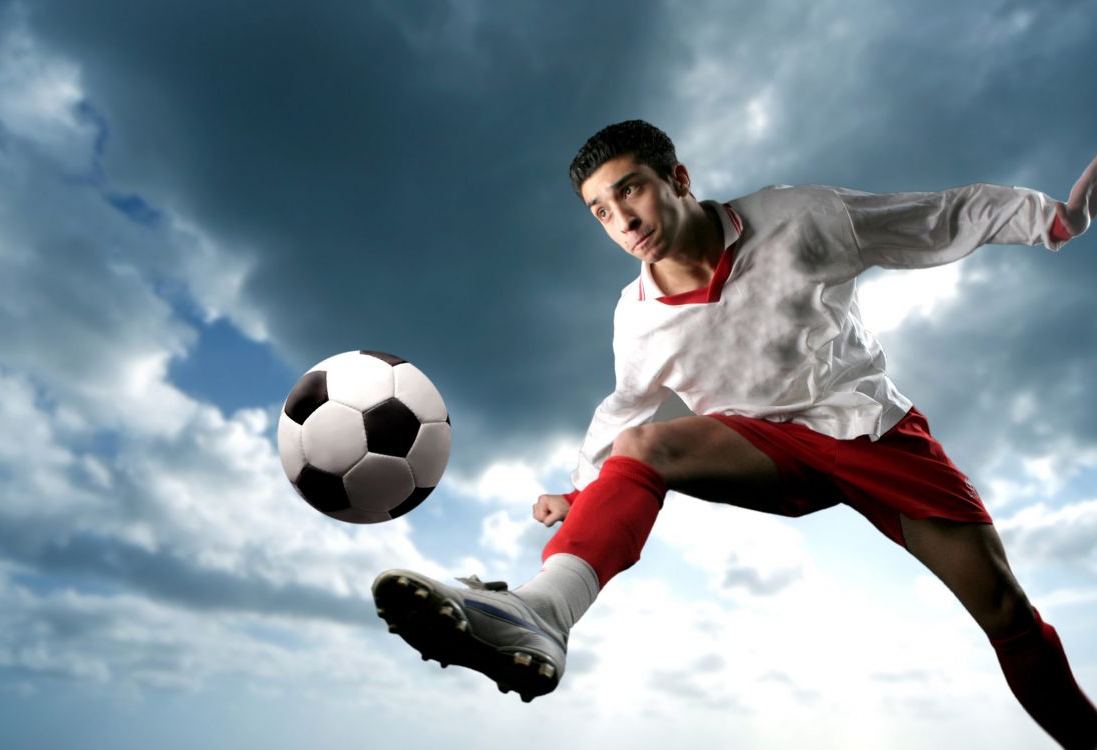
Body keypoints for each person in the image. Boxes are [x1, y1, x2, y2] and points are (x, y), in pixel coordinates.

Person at [372, 120, 1097, 749]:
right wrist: (584, 490)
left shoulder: (800, 217)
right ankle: (540, 612)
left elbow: (933, 216)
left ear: (678, 178)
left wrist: (1052, 220)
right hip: (762, 449)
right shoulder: (638, 315)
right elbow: (626, 410)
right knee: (645, 448)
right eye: (599, 210)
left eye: (630, 190)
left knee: (1005, 610)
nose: (621, 219)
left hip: (870, 430)